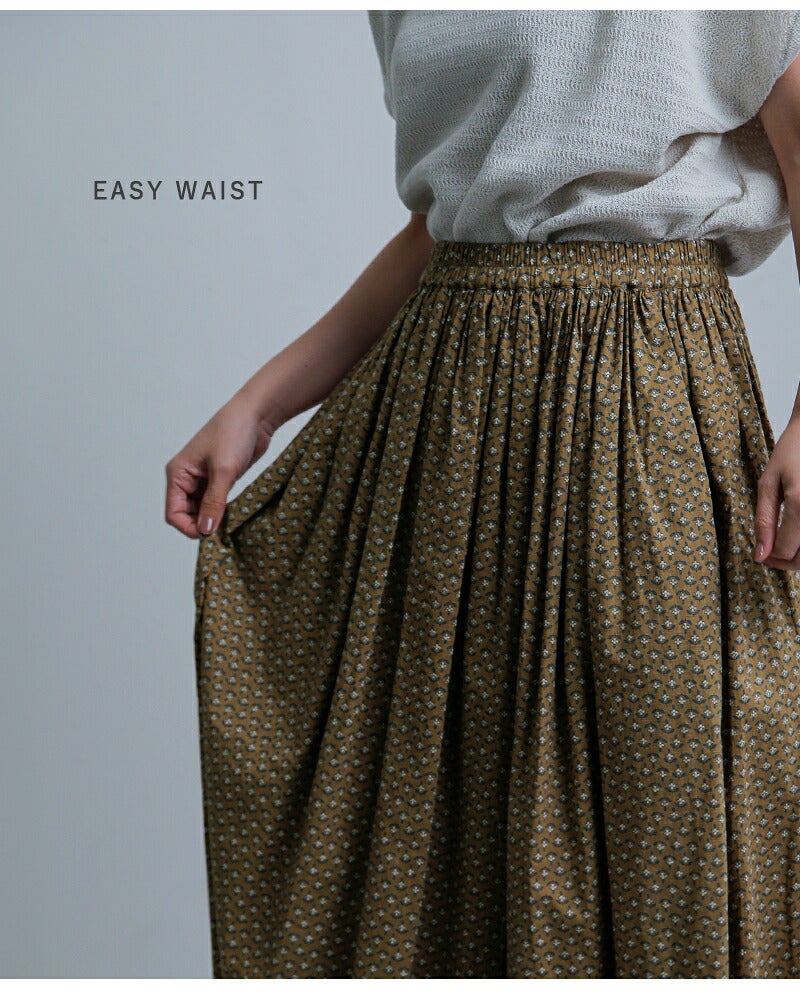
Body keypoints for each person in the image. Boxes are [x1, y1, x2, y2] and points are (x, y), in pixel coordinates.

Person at [165, 10, 800, 978]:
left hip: (645, 402)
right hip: (447, 435)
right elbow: (449, 223)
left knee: (665, 811)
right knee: (450, 834)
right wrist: (261, 404)